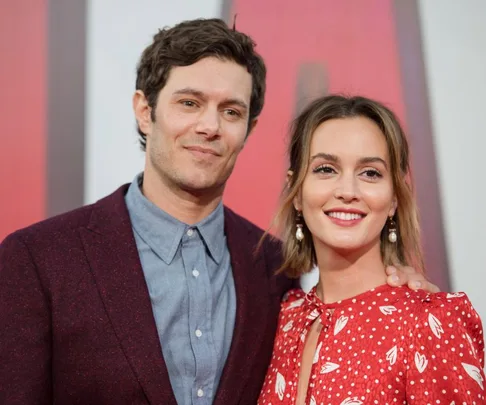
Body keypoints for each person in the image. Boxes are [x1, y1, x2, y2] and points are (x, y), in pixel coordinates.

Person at [0, 19, 437, 405]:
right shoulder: (39, 260)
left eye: (231, 111)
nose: (210, 127)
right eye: (189, 103)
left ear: (248, 129)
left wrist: (402, 292)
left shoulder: (271, 265)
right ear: (145, 111)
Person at [258, 95, 485, 405]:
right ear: (296, 191)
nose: (348, 191)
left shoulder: (430, 323)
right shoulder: (285, 316)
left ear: (393, 198)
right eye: (326, 169)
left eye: (370, 173)